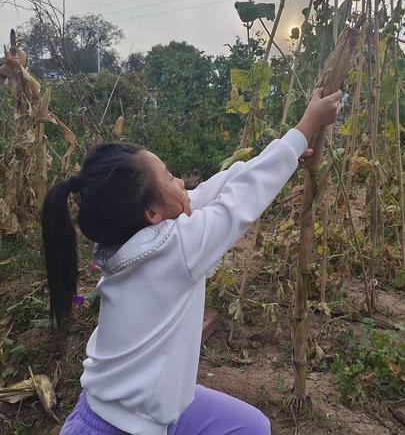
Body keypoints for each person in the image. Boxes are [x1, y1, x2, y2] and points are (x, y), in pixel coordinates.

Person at [42, 87, 342, 435]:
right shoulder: (178, 248)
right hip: (118, 427)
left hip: (145, 408)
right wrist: (308, 124)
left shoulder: (132, 238)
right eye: (169, 176)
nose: (181, 181)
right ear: (152, 213)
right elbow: (241, 199)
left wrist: (286, 152)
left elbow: (212, 191)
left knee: (252, 427)